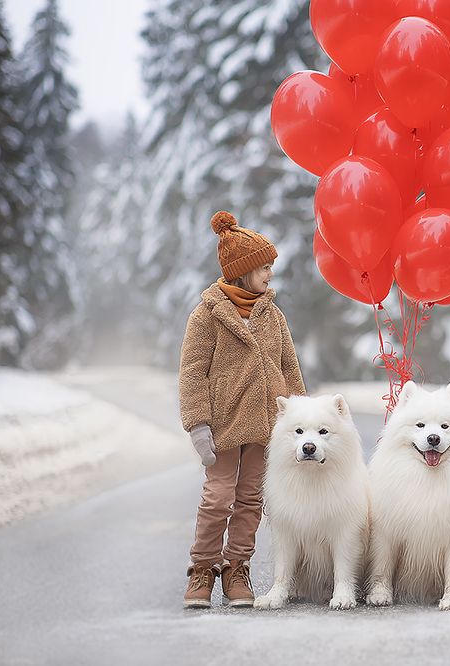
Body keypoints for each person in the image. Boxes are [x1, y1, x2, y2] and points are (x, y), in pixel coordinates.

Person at [178, 210, 306, 609]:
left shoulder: (273, 314)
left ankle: (237, 568)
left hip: (268, 425)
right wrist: (198, 425)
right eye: (264, 267)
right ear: (243, 270)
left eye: (271, 267)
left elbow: (289, 366)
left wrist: (302, 418)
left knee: (251, 498)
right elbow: (192, 373)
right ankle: (202, 568)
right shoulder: (207, 315)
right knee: (219, 497)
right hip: (223, 426)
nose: (270, 274)